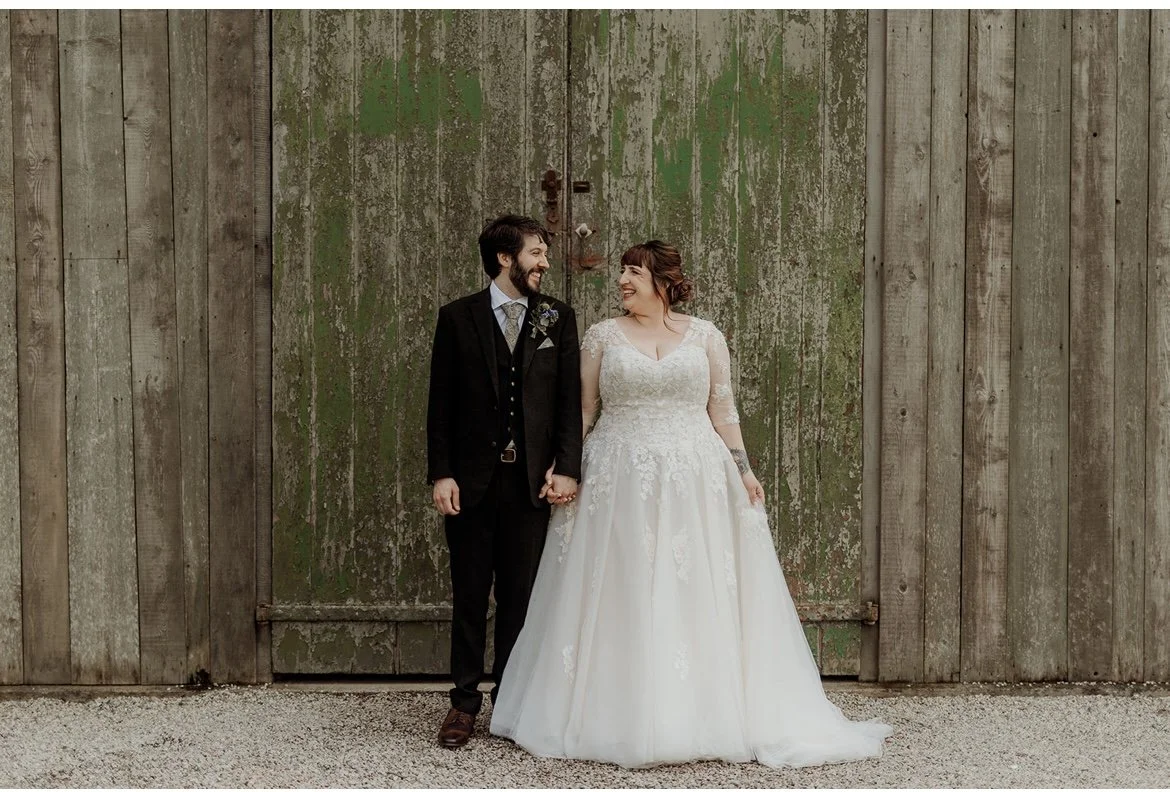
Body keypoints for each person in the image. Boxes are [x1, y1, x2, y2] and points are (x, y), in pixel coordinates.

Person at [491, 240, 892, 768]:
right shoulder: (601, 337)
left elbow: (722, 409)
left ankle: (702, 710)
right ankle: (615, 710)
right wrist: (565, 468)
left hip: (695, 477)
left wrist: (744, 470)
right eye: (622, 273)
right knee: (622, 584)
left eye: (633, 272)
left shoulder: (704, 335)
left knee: (695, 584)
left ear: (661, 281)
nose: (622, 282)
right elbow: (583, 410)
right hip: (618, 476)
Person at [426, 214, 582, 748]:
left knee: (521, 598)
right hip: (470, 483)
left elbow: (569, 404)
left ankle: (509, 704)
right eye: (536, 253)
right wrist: (441, 473)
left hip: (529, 487)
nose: (544, 263)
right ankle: (463, 703)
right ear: (504, 258)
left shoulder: (557, 319)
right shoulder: (457, 318)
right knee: (470, 593)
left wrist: (567, 467)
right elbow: (439, 405)